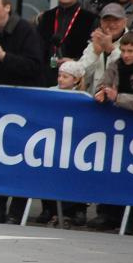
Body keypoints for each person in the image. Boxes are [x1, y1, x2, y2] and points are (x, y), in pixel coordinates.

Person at [0, 0, 43, 224]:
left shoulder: (26, 30)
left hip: (24, 104)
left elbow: (34, 66)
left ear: (7, 7)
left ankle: (17, 210)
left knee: (21, 157)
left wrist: (4, 57)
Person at [88, 32, 133, 231]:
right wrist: (101, 93)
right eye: (123, 50)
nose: (126, 55)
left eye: (131, 51)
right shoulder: (115, 65)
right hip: (115, 128)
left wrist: (117, 98)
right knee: (112, 168)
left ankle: (131, 219)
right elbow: (102, 85)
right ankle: (108, 213)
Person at [38, 59, 88, 228]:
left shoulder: (83, 96)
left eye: (65, 77)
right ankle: (48, 208)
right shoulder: (51, 92)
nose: (60, 79)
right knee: (48, 172)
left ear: (76, 80)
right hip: (53, 139)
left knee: (72, 175)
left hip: (74, 143)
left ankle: (76, 209)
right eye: (59, 75)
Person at [36, 0, 96, 87]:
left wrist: (75, 62)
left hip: (75, 79)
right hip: (47, 76)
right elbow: (38, 47)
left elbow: (93, 52)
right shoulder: (46, 17)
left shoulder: (90, 18)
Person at [77, 2, 129, 95]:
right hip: (94, 100)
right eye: (107, 20)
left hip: (122, 100)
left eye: (116, 20)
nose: (111, 24)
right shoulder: (95, 41)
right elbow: (78, 76)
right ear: (101, 22)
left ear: (125, 22)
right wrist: (95, 54)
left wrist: (112, 50)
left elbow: (129, 74)